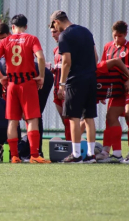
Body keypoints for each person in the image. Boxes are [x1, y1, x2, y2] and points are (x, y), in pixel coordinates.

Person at [0, 14, 50, 164]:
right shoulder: (31, 39)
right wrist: (41, 76)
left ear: (12, 27)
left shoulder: (6, 41)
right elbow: (41, 58)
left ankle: (14, 156)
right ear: (26, 26)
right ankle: (34, 155)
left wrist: (1, 76)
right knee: (32, 119)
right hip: (27, 82)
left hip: (11, 84)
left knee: (12, 121)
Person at [50, 10, 98, 163]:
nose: (54, 29)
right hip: (91, 78)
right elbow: (96, 56)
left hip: (75, 80)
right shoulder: (86, 31)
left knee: (74, 117)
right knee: (89, 117)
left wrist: (62, 84)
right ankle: (91, 155)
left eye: (53, 25)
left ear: (57, 22)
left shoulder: (65, 35)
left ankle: (76, 154)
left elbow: (66, 62)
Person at [100, 21, 129, 160]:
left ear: (125, 35)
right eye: (114, 36)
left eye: (120, 36)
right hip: (114, 90)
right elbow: (103, 68)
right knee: (110, 117)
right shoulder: (108, 47)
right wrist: (102, 91)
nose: (116, 39)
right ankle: (112, 152)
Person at [94, 60, 129, 163]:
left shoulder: (96, 69)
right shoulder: (83, 87)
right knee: (110, 116)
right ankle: (117, 155)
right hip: (119, 89)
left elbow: (117, 61)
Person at [49, 26, 71, 141]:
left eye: (55, 32)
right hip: (56, 88)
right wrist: (52, 69)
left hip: (66, 87)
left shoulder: (69, 47)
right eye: (51, 32)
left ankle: (72, 147)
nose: (53, 35)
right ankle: (70, 146)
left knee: (69, 119)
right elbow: (59, 68)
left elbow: (68, 65)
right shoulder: (55, 50)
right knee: (64, 120)